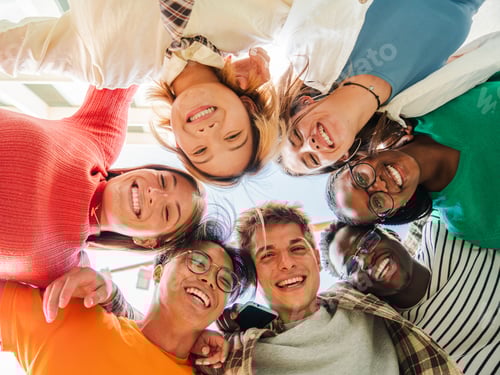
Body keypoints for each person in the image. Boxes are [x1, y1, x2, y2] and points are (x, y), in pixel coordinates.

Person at [0, 0, 283, 185]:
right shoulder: (262, 21)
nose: (208, 131)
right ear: (248, 106)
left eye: (200, 150)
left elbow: (14, 50)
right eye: (232, 136)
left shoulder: (107, 68)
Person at [205, 203, 461, 374]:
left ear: (316, 259)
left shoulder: (359, 297)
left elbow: (402, 249)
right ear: (252, 276)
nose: (287, 264)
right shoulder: (234, 351)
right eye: (267, 256)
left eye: (297, 249)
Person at [0, 84, 205, 288]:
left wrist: (110, 295)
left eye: (167, 212)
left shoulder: (61, 272)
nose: (156, 194)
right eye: (162, 180)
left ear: (148, 241)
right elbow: (127, 60)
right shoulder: (100, 138)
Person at [0, 221, 256, 374]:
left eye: (224, 281)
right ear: (158, 271)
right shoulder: (71, 311)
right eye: (198, 261)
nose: (210, 279)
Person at [277, 0, 485, 176]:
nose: (310, 145)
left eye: (296, 136)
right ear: (343, 156)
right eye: (312, 159)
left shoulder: (325, 48)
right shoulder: (414, 104)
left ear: (305, 104)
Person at [326, 74, 500, 247]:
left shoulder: (423, 100)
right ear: (396, 209)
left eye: (361, 179)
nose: (379, 186)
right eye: (377, 203)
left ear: (360, 158)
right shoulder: (474, 222)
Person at [320, 213, 500, 374]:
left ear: (392, 234)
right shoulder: (404, 345)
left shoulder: (441, 227)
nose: (365, 260)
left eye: (367, 241)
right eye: (351, 266)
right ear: (355, 287)